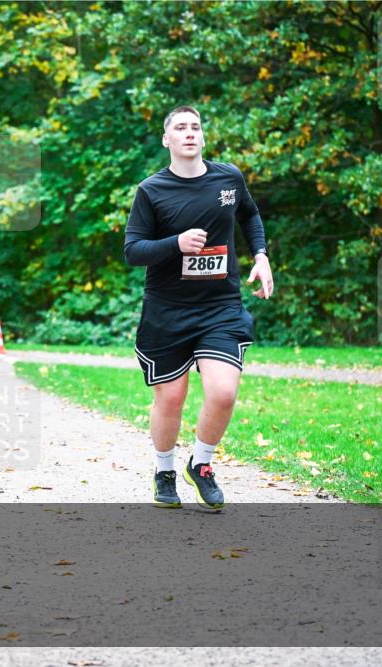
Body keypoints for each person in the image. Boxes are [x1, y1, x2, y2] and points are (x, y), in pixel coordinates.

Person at [124, 105, 274, 510]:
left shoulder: (228, 178)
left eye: (196, 127)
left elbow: (250, 214)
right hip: (167, 310)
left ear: (203, 137)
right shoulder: (151, 191)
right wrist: (175, 243)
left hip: (219, 306)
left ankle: (201, 464)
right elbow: (133, 251)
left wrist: (260, 255)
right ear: (166, 139)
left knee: (223, 392)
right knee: (170, 400)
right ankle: (164, 470)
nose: (190, 133)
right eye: (180, 128)